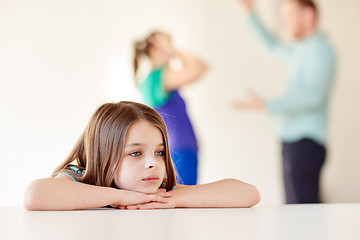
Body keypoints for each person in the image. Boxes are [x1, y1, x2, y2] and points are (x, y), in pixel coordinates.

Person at [23, 101, 260, 210]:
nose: (152, 164)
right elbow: (36, 195)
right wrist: (122, 197)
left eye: (159, 152)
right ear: (103, 155)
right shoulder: (78, 178)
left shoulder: (157, 193)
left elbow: (249, 194)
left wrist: (175, 199)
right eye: (135, 153)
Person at [235, 0, 336, 204]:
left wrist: (268, 105)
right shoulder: (301, 51)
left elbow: (312, 95)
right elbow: (272, 47)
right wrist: (250, 13)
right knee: (296, 209)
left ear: (309, 15)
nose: (286, 22)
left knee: (303, 211)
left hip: (305, 143)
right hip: (293, 141)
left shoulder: (320, 50)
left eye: (290, 14)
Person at [133, 31, 207, 185]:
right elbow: (199, 68)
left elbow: (192, 67)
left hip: (181, 151)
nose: (171, 50)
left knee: (182, 200)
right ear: (155, 49)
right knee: (182, 202)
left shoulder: (157, 78)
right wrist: (173, 49)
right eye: (166, 44)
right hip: (178, 152)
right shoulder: (158, 77)